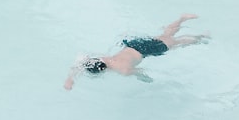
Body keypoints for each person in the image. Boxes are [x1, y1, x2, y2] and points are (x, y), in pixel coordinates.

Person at [63, 14, 208, 90]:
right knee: (166, 36)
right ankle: (182, 20)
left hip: (145, 50)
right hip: (133, 44)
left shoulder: (123, 70)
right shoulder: (103, 59)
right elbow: (79, 65)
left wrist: (146, 80)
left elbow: (140, 72)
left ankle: (201, 37)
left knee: (176, 42)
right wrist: (70, 80)